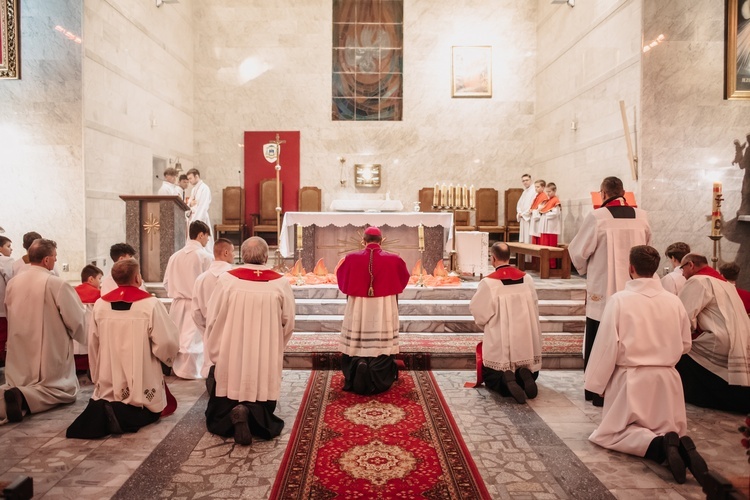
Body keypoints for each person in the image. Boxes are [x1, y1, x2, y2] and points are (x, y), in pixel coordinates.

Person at [584, 246, 707, 485]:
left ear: (631, 268)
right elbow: (684, 344)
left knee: (611, 434)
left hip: (632, 380)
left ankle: (660, 446)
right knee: (667, 427)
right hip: (668, 381)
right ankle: (679, 444)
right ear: (654, 269)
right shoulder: (673, 301)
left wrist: (596, 383)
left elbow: (606, 346)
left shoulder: (619, 300)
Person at [66, 259, 179, 439]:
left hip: (109, 373)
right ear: (137, 278)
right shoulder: (150, 305)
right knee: (151, 411)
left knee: (106, 397)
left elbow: (93, 342)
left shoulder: (101, 305)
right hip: (141, 372)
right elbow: (166, 342)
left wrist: (96, 374)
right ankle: (119, 415)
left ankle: (106, 408)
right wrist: (165, 359)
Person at [568, 176, 651, 406]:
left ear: (603, 194)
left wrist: (584, 269)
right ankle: (626, 391)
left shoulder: (598, 217)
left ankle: (597, 392)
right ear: (624, 192)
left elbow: (577, 251)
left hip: (604, 289)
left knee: (599, 337)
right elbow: (647, 247)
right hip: (636, 289)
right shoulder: (641, 216)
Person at [203, 237, 295, 445]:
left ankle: (233, 414)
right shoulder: (279, 282)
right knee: (261, 388)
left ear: (241, 255)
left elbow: (213, 317)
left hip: (231, 348)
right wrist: (276, 346)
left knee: (227, 392)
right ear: (265, 256)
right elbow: (288, 322)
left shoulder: (227, 280)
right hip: (265, 350)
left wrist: (216, 349)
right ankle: (253, 413)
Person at [1, 239, 87, 423]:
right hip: (49, 349)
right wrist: (86, 338)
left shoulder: (13, 283)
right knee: (63, 391)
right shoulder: (56, 284)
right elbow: (76, 319)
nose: (55, 261)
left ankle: (15, 394)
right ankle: (23, 397)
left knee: (16, 382)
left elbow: (9, 313)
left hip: (19, 348)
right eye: (55, 257)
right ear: (47, 260)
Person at [336, 226, 410, 395]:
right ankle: (377, 370)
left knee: (357, 337)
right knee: (381, 341)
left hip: (359, 306)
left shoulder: (350, 258)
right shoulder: (394, 259)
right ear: (381, 241)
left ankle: (358, 363)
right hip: (383, 306)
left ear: (363, 241)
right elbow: (403, 279)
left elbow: (341, 280)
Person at [469, 242, 542, 404]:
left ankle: (506, 378)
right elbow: (535, 306)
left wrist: (487, 325)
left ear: (493, 258)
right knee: (528, 366)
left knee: (493, 376)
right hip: (526, 339)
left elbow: (478, 311)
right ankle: (524, 373)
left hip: (502, 341)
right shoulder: (527, 279)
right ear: (510, 257)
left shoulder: (489, 283)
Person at [676, 253, 750, 413]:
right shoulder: (725, 284)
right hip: (739, 339)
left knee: (681, 352)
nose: (682, 273)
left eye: (682, 268)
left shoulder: (698, 281)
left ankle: (693, 396)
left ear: (690, 265)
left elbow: (683, 317)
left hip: (717, 339)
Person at [164, 220, 213, 379]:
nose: (207, 240)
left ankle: (176, 368)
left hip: (178, 304)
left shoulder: (174, 256)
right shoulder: (205, 256)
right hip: (196, 303)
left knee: (180, 338)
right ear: (200, 235)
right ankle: (194, 371)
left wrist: (178, 291)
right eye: (207, 236)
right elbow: (209, 283)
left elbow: (166, 282)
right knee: (193, 341)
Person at [191, 238, 235, 378]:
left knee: (212, 368)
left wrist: (205, 331)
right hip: (232, 330)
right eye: (233, 252)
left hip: (209, 329)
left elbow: (195, 312)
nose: (234, 255)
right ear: (226, 252)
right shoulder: (235, 278)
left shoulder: (201, 279)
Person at [72, 264, 103, 372]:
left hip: (74, 335)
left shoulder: (72, 292)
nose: (100, 283)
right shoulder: (98, 294)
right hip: (90, 334)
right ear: (91, 279)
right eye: (99, 279)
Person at [186, 168, 213, 254]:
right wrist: (190, 204)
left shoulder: (204, 188)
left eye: (190, 178)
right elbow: (189, 202)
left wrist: (197, 221)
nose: (189, 181)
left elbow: (203, 206)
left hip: (200, 218)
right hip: (193, 216)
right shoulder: (194, 189)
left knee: (203, 240)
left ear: (196, 176)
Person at [539, 182, 561, 269]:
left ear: (554, 191)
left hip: (552, 227)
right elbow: (542, 210)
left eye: (549, 192)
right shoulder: (548, 201)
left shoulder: (556, 201)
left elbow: (556, 213)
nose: (548, 194)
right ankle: (544, 264)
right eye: (547, 192)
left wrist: (546, 213)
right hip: (545, 227)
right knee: (544, 245)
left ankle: (551, 265)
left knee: (551, 246)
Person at [0, 236, 14, 365]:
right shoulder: (5, 261)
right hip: (2, 309)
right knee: (2, 338)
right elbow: (11, 282)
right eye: (8, 246)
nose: (11, 249)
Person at [516, 174, 536, 245]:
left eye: (527, 180)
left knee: (528, 239)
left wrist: (524, 214)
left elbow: (533, 205)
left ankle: (529, 256)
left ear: (531, 180)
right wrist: (519, 213)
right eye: (523, 181)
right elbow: (519, 204)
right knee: (523, 239)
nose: (525, 182)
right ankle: (524, 256)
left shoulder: (534, 191)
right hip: (523, 217)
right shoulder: (524, 192)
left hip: (529, 218)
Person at [528, 180, 548, 245]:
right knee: (534, 238)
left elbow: (541, 210)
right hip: (534, 219)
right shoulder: (537, 196)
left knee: (538, 240)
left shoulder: (544, 197)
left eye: (538, 187)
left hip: (539, 221)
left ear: (543, 187)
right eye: (535, 187)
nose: (536, 189)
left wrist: (533, 211)